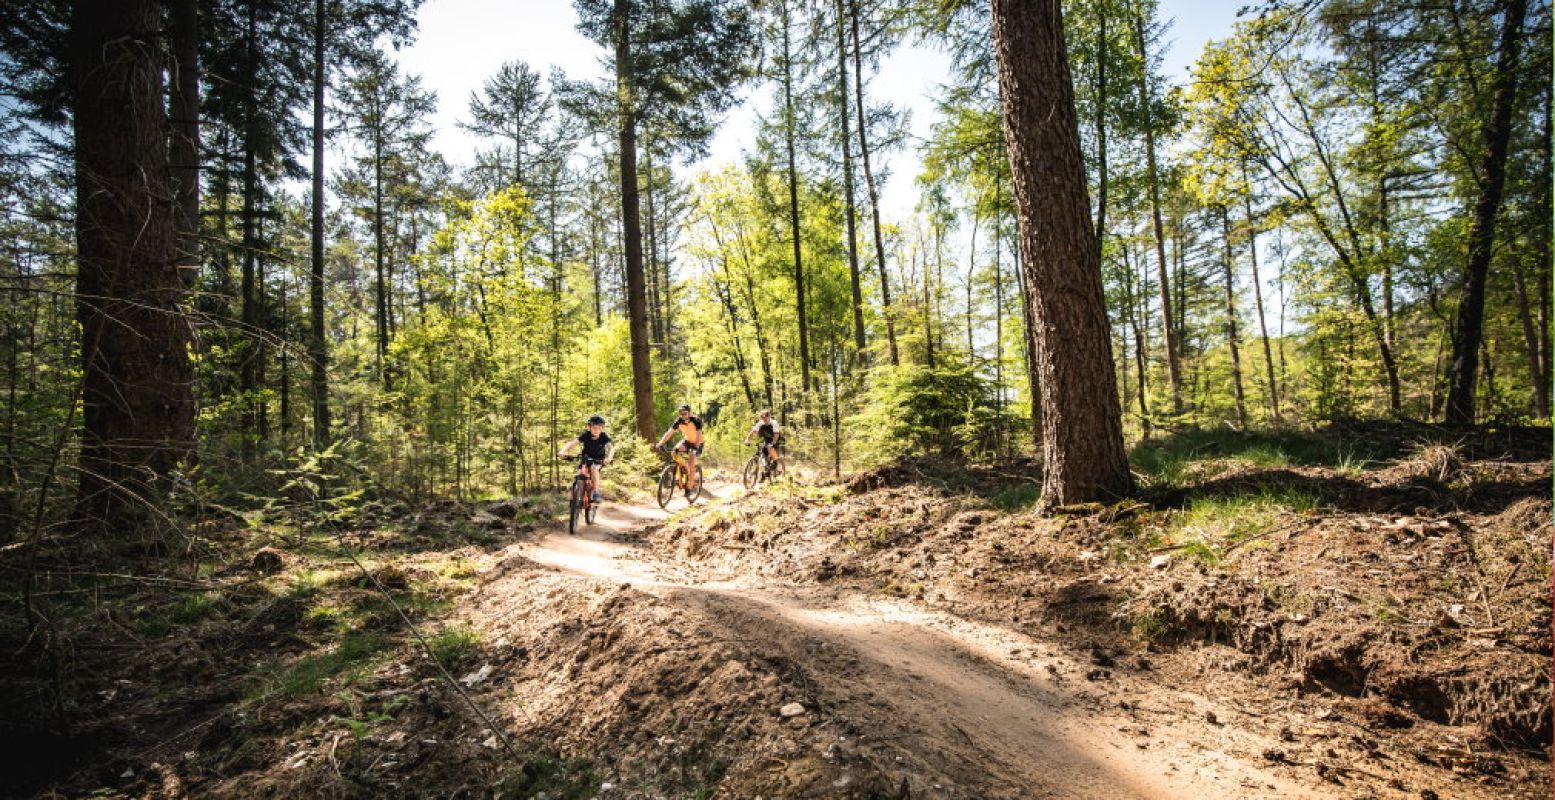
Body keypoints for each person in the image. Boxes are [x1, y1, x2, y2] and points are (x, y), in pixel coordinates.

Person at [558, 415, 614, 502]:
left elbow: (611, 448)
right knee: (579, 474)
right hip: (586, 458)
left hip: (598, 460)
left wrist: (609, 458)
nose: (596, 430)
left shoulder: (603, 436)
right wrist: (563, 451)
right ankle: (575, 499)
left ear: (602, 429)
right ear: (589, 427)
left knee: (594, 468)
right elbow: (572, 443)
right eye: (594, 428)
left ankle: (595, 492)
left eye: (599, 428)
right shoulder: (585, 435)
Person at [655, 403, 704, 497]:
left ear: (689, 413)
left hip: (698, 443)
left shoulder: (696, 420)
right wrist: (660, 443)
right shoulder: (679, 421)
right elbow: (669, 433)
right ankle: (683, 469)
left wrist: (695, 448)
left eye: (685, 413)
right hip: (687, 440)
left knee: (691, 463)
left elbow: (698, 436)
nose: (683, 415)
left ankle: (689, 487)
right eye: (681, 413)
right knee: (674, 452)